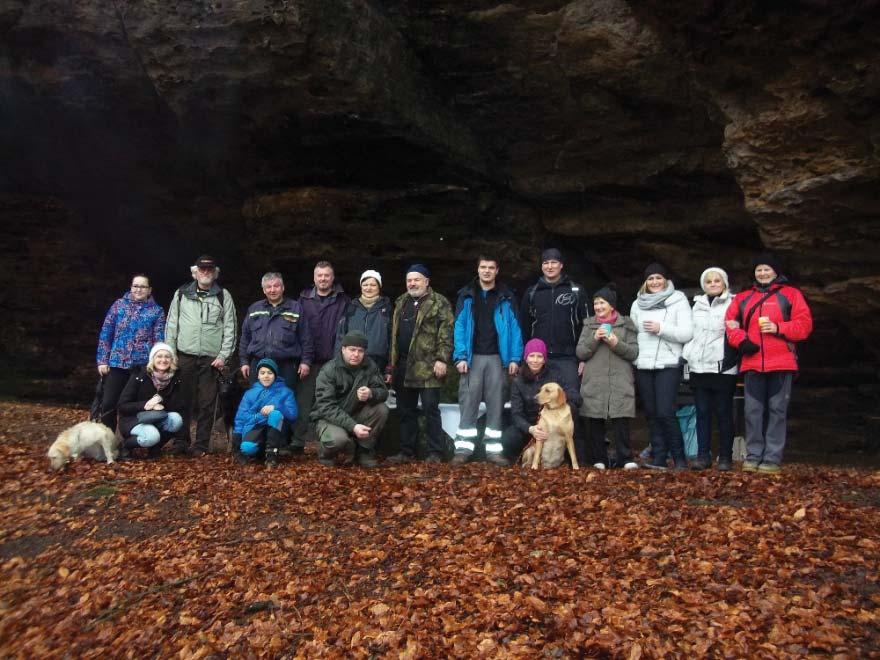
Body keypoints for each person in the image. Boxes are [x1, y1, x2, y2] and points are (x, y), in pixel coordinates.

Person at [725, 254, 813, 474]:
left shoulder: (791, 294)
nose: (763, 273)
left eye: (767, 269)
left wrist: (778, 328)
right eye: (759, 270)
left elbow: (804, 325)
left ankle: (772, 458)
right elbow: (730, 324)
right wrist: (742, 341)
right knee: (752, 411)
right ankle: (753, 455)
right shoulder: (744, 298)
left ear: (776, 272)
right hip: (752, 362)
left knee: (777, 410)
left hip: (781, 362)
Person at [451, 255, 523, 466]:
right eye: (483, 267)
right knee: (468, 404)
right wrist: (460, 356)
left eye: (491, 267)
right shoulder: (466, 295)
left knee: (496, 405)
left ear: (497, 270)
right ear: (478, 269)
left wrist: (515, 358)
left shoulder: (507, 296)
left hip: (497, 358)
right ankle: (463, 449)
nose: (487, 271)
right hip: (472, 358)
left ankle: (493, 451)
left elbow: (516, 329)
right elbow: (459, 328)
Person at [165, 255, 237, 457]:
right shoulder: (181, 294)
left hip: (211, 358)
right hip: (184, 355)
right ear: (194, 272)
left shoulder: (223, 295)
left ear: (215, 273)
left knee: (207, 403)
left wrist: (224, 356)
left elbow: (231, 328)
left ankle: (201, 445)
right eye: (202, 269)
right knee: (182, 400)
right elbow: (172, 324)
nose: (205, 272)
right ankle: (180, 441)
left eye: (209, 269)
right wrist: (171, 354)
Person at [386, 264, 454, 463]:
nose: (412, 283)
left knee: (430, 409)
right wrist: (391, 365)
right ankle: (407, 451)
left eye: (416, 279)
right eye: (409, 280)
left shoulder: (439, 302)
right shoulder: (401, 302)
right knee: (405, 411)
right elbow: (394, 336)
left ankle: (435, 452)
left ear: (426, 281)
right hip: (404, 366)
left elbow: (447, 333)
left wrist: (442, 359)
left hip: (429, 366)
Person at [630, 263, 693, 470]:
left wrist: (662, 328)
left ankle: (679, 458)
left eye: (658, 278)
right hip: (644, 363)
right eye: (650, 279)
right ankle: (658, 458)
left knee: (666, 411)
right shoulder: (637, 304)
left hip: (668, 362)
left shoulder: (678, 300)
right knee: (651, 412)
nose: (655, 282)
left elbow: (686, 333)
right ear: (645, 282)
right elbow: (632, 334)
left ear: (665, 280)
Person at [576, 284, 639, 470]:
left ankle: (625, 459)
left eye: (602, 303)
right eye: (596, 303)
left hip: (620, 379)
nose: (598, 307)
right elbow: (580, 352)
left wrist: (615, 342)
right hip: (595, 380)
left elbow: (633, 353)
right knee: (595, 419)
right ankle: (599, 459)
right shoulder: (588, 325)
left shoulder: (626, 324)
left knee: (621, 419)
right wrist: (594, 338)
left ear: (611, 305)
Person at [682, 267, 739, 471]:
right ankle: (702, 455)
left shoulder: (734, 303)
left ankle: (725, 456)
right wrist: (688, 353)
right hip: (699, 365)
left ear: (724, 283)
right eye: (709, 281)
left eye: (717, 281)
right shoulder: (696, 304)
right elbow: (690, 332)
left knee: (723, 412)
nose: (713, 284)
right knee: (702, 412)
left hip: (722, 366)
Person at [95, 274, 166, 432]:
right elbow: (106, 333)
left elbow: (159, 341)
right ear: (131, 287)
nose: (138, 289)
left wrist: (156, 365)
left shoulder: (157, 311)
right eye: (135, 286)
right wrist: (102, 360)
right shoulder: (118, 305)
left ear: (149, 290)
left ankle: (131, 441)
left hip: (141, 366)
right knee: (108, 404)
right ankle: (109, 441)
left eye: (143, 286)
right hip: (117, 363)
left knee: (134, 405)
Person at [293, 261, 350, 453]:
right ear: (314, 278)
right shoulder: (302, 300)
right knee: (303, 402)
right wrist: (302, 358)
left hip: (333, 362)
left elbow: (346, 333)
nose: (323, 279)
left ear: (332, 278)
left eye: (327, 275)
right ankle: (297, 442)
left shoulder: (344, 301)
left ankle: (327, 445)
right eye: (320, 275)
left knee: (330, 402)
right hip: (307, 361)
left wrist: (340, 360)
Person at [312, 331, 389, 468]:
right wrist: (353, 426)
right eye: (352, 350)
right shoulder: (329, 370)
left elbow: (384, 392)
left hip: (356, 414)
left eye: (360, 351)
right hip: (329, 419)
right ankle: (326, 453)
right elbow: (326, 407)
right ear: (343, 349)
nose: (356, 354)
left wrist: (371, 393)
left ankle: (364, 451)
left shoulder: (370, 366)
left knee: (381, 409)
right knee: (338, 440)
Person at [501, 338, 581, 462]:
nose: (535, 360)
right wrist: (531, 429)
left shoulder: (554, 375)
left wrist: (557, 396)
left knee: (572, 408)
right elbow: (516, 414)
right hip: (530, 426)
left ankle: (563, 458)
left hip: (553, 426)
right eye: (531, 356)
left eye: (539, 356)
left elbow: (577, 398)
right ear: (526, 358)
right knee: (509, 437)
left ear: (544, 359)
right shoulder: (518, 381)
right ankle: (521, 460)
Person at [519, 248, 590, 385]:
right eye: (546, 263)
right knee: (539, 401)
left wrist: (583, 358)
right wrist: (524, 357)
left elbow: (587, 326)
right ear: (541, 266)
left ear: (561, 265)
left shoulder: (576, 291)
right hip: (539, 359)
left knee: (570, 400)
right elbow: (524, 327)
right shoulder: (532, 293)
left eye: (554, 262)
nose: (549, 266)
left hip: (569, 357)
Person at [239, 272, 313, 389]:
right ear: (263, 290)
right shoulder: (254, 309)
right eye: (268, 287)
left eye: (276, 286)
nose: (272, 290)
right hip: (258, 365)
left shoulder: (295, 308)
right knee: (258, 401)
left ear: (283, 288)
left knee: (284, 402)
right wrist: (244, 362)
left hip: (286, 367)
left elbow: (306, 338)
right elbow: (245, 338)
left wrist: (306, 362)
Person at [117, 342, 185, 459]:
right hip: (134, 419)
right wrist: (146, 405)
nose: (163, 360)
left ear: (172, 360)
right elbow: (122, 406)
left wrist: (161, 401)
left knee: (176, 419)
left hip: (158, 417)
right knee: (151, 436)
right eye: (159, 356)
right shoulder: (140, 375)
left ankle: (155, 448)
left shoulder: (175, 379)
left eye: (167, 356)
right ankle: (126, 446)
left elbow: (177, 407)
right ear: (153, 359)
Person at [232, 357, 298, 468]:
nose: (266, 376)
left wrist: (276, 407)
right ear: (258, 375)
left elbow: (293, 415)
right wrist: (237, 441)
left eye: (270, 373)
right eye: (262, 373)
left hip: (277, 430)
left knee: (275, 414)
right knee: (247, 448)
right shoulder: (249, 394)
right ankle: (261, 452)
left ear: (275, 375)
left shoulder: (286, 392)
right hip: (255, 428)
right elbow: (241, 417)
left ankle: (272, 455)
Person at [334, 269, 392, 373]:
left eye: (373, 285)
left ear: (379, 287)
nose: (368, 288)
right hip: (352, 362)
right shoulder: (351, 307)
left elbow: (392, 339)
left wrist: (389, 368)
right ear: (361, 286)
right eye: (365, 285)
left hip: (378, 363)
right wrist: (338, 362)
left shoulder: (387, 308)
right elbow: (341, 336)